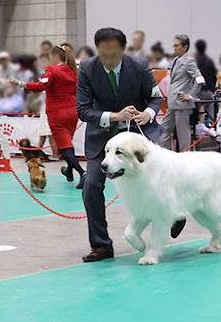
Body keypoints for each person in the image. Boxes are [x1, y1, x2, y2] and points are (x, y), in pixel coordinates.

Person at [75, 27, 179, 263]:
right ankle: (101, 245)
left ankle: (177, 214)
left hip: (139, 137)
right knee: (91, 186)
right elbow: (83, 110)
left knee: (163, 179)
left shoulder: (139, 66)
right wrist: (114, 116)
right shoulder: (87, 69)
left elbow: (156, 97)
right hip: (102, 139)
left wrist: (148, 114)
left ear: (123, 50)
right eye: (104, 54)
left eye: (114, 54)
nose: (109, 59)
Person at [12, 43, 86, 187]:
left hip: (57, 113)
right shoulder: (73, 70)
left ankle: (82, 173)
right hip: (72, 112)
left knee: (64, 148)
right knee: (68, 143)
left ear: (54, 56)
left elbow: (41, 86)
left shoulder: (52, 70)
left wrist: (21, 83)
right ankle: (69, 172)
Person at [159, 34, 204, 151]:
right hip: (172, 102)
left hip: (182, 103)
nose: (174, 48)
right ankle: (164, 154)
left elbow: (200, 80)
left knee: (183, 133)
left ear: (185, 47)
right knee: (163, 129)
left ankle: (185, 156)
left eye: (177, 45)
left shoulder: (189, 61)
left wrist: (191, 95)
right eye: (174, 45)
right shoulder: (176, 60)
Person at [193, 39, 218, 119]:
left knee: (199, 113)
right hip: (209, 90)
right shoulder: (209, 60)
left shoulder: (195, 61)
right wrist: (212, 88)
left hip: (198, 91)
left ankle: (200, 124)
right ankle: (212, 124)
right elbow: (214, 76)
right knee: (211, 112)